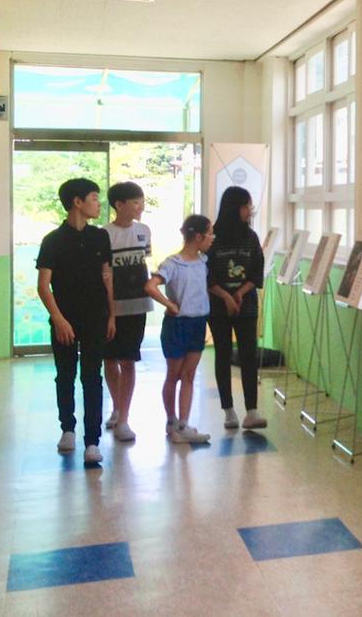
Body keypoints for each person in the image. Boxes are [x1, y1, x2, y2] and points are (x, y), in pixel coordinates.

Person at [36, 178, 115, 464]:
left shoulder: (100, 237)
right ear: (77, 202)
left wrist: (112, 314)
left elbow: (107, 276)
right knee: (65, 374)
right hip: (65, 320)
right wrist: (58, 319)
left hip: (96, 317)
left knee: (92, 377)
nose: (98, 204)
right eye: (93, 198)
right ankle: (67, 428)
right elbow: (43, 286)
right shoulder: (53, 241)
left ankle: (92, 441)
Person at [144, 215, 214, 444]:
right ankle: (171, 420)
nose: (212, 238)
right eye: (210, 233)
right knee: (173, 375)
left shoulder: (203, 261)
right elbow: (151, 286)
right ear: (198, 237)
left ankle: (183, 424)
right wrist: (169, 304)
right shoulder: (173, 263)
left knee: (189, 375)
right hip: (177, 324)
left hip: (198, 322)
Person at [206, 186, 267, 430]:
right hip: (217, 306)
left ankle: (252, 410)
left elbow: (256, 272)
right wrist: (226, 297)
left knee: (248, 355)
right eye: (245, 206)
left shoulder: (251, 237)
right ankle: (228, 410)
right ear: (234, 207)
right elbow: (206, 274)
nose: (249, 211)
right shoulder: (212, 237)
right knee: (222, 354)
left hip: (246, 305)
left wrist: (240, 293)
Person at [102, 182, 152, 441]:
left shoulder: (144, 231)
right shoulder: (104, 234)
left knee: (129, 360)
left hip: (137, 305)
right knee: (110, 359)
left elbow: (145, 261)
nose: (140, 206)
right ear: (119, 205)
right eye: (135, 202)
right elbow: (104, 274)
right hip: (111, 307)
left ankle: (124, 418)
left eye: (142, 201)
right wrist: (108, 309)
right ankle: (117, 407)